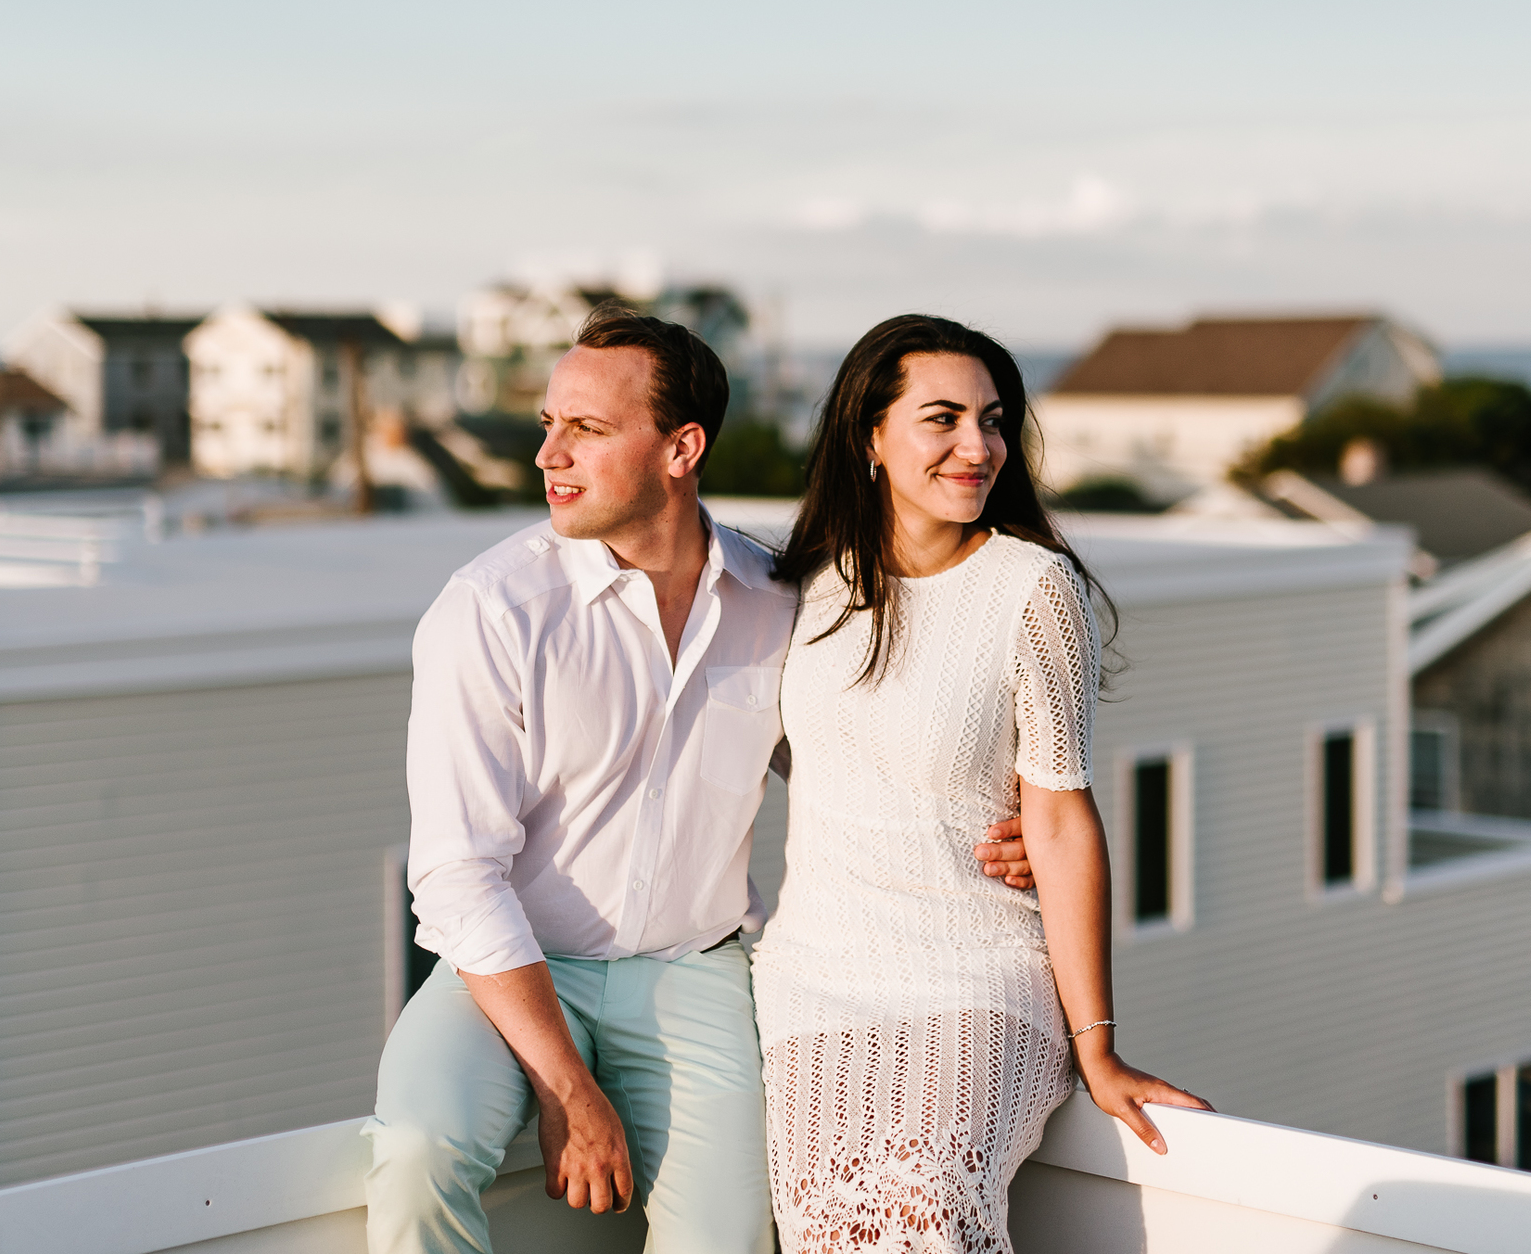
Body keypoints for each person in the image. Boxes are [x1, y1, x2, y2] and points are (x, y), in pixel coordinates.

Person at [364, 304, 1036, 1254]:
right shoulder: (491, 610)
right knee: (418, 1153)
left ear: (682, 448)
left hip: (694, 969)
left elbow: (858, 758)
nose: (548, 454)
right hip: (506, 969)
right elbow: (456, 872)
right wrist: (568, 1086)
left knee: (728, 1238)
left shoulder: (780, 601)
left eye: (586, 430)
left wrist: (1008, 824)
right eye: (549, 424)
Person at [752, 314, 1210, 1253]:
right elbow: (813, 752)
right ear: (870, 436)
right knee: (821, 1231)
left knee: (927, 1208)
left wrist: (1099, 1046)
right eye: (944, 418)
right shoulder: (799, 586)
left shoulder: (1033, 588)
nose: (979, 446)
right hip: (810, 978)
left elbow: (1062, 817)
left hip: (975, 976)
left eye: (994, 420)